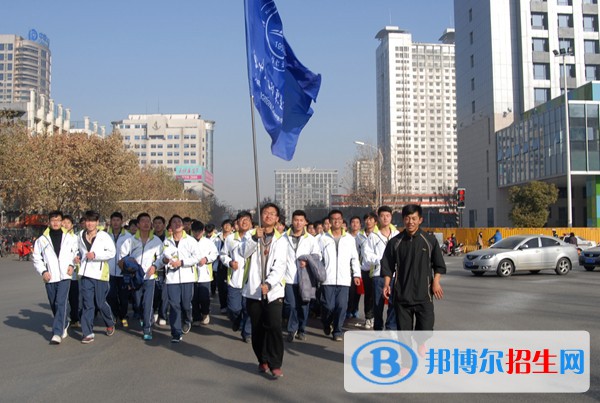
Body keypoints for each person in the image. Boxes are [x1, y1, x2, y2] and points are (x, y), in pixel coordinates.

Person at [381, 204, 445, 365]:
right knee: (403, 334)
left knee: (426, 329)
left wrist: (436, 282)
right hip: (401, 295)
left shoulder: (429, 241)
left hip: (424, 295)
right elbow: (387, 266)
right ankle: (406, 364)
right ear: (403, 219)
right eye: (407, 218)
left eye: (414, 218)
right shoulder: (395, 242)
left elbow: (439, 265)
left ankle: (421, 340)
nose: (410, 222)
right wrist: (387, 284)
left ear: (420, 220)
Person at [241, 203, 287, 378]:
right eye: (265, 213)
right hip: (253, 290)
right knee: (258, 328)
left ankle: (275, 363)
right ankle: (262, 359)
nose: (268, 216)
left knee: (274, 326)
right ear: (260, 216)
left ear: (277, 219)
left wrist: (269, 283)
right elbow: (243, 254)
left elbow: (280, 266)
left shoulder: (282, 240)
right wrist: (254, 240)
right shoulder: (250, 236)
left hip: (273, 291)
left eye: (272, 214)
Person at [32, 211, 78, 344]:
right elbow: (36, 258)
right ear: (49, 222)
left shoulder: (69, 238)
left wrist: (71, 265)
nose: (56, 223)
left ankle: (57, 332)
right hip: (50, 276)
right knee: (53, 302)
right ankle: (63, 323)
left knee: (60, 302)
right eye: (53, 220)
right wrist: (43, 271)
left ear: (62, 221)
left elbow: (75, 253)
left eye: (58, 220)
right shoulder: (41, 240)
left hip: (65, 275)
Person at [119, 213, 164, 341]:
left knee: (148, 304)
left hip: (150, 277)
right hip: (135, 277)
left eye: (148, 221)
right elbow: (122, 257)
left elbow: (161, 257)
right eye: (142, 221)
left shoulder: (156, 240)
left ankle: (148, 329)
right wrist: (128, 267)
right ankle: (144, 318)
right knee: (138, 303)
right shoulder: (131, 240)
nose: (145, 223)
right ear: (138, 224)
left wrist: (155, 266)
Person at [319, 209, 361, 341]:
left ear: (342, 221)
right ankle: (327, 323)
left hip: (344, 279)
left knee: (342, 306)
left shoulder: (348, 239)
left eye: (339, 219)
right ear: (330, 222)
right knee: (328, 306)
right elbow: (318, 258)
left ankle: (337, 331)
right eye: (333, 219)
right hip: (327, 279)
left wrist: (356, 275)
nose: (336, 221)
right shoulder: (322, 238)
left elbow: (354, 258)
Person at [77, 210, 117, 344]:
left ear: (97, 222)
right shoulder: (80, 235)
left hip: (100, 274)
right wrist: (76, 258)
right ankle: (87, 333)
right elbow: (78, 251)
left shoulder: (104, 236)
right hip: (85, 274)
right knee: (87, 304)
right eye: (87, 221)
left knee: (100, 302)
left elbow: (112, 252)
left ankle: (110, 322)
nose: (90, 224)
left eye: (92, 221)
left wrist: (96, 255)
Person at [162, 215, 202, 343]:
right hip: (172, 278)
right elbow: (162, 258)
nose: (177, 224)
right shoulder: (167, 242)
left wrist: (182, 262)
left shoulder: (190, 241)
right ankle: (176, 332)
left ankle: (187, 319)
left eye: (179, 222)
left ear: (183, 225)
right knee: (174, 306)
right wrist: (164, 261)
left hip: (187, 277)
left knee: (185, 304)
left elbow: (197, 258)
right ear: (171, 226)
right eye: (174, 222)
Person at [283, 210, 321, 342]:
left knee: (304, 306)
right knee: (292, 305)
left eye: (301, 220)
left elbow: (317, 256)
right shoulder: (283, 238)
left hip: (306, 279)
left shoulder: (310, 239)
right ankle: (292, 329)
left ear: (305, 222)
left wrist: (307, 261)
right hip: (289, 278)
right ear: (292, 221)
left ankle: (302, 329)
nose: (298, 223)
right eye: (296, 220)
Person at [362, 206, 399, 331]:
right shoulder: (373, 236)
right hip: (378, 275)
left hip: (394, 276)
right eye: (382, 216)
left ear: (391, 217)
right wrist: (381, 261)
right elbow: (367, 255)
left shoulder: (397, 234)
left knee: (393, 304)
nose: (385, 218)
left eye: (387, 216)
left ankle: (390, 328)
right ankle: (378, 327)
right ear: (378, 218)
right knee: (378, 305)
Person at [220, 212, 252, 343]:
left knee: (249, 310)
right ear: (237, 223)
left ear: (251, 223)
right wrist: (230, 263)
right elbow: (223, 255)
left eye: (247, 220)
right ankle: (237, 320)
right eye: (242, 220)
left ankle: (247, 333)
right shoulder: (230, 239)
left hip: (251, 282)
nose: (244, 222)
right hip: (234, 280)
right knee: (234, 308)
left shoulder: (254, 237)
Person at [106, 212, 132, 328]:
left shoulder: (128, 236)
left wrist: (125, 262)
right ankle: (116, 314)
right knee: (110, 295)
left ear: (121, 221)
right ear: (110, 221)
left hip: (123, 272)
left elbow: (132, 254)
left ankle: (123, 316)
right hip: (109, 271)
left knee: (124, 297)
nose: (115, 222)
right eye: (113, 220)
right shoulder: (105, 236)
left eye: (118, 220)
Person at [190, 220, 218, 326]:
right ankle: (196, 317)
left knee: (204, 297)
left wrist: (206, 259)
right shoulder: (188, 241)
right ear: (192, 231)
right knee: (194, 298)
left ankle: (205, 313)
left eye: (199, 231)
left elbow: (215, 254)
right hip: (191, 275)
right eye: (195, 231)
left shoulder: (208, 242)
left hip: (204, 275)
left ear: (203, 231)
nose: (197, 233)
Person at [358, 211, 377, 329]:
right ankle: (368, 318)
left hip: (376, 269)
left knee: (376, 296)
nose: (368, 221)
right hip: (364, 269)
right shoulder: (360, 236)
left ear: (375, 221)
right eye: (366, 219)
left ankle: (375, 317)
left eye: (371, 219)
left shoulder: (379, 235)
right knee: (368, 295)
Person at [61, 215, 80, 328]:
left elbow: (78, 252)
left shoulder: (76, 238)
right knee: (61, 299)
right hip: (60, 273)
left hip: (72, 274)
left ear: (72, 225)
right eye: (64, 222)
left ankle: (74, 318)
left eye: (68, 222)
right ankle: (62, 319)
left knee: (73, 298)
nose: (66, 224)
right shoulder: (57, 237)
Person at [214, 219, 233, 314]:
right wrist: (216, 256)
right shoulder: (217, 238)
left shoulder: (233, 238)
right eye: (225, 225)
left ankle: (230, 305)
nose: (226, 227)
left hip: (231, 265)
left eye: (228, 225)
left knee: (230, 286)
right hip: (220, 265)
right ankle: (223, 305)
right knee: (221, 286)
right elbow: (213, 250)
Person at [152, 216, 168, 326]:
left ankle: (163, 314)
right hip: (153, 269)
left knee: (165, 294)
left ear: (164, 225)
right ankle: (155, 311)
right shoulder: (150, 237)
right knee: (154, 293)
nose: (157, 225)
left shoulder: (169, 238)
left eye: (160, 223)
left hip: (166, 270)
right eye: (155, 223)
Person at [346, 216, 363, 320]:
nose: (355, 224)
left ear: (360, 225)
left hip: (361, 268)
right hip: (348, 269)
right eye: (353, 222)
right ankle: (349, 309)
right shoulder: (346, 237)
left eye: (357, 222)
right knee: (350, 291)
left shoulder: (363, 237)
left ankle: (355, 309)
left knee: (358, 291)